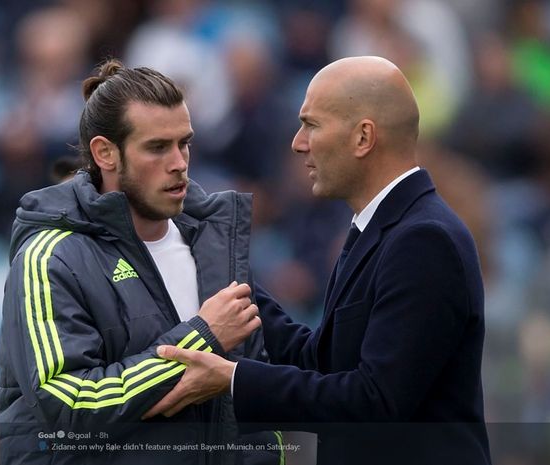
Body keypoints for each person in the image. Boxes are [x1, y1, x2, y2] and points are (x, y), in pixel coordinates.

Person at [145, 56, 491, 465]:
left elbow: (374, 404)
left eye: (312, 124)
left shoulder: (423, 239)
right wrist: (227, 282)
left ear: (363, 138)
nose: (298, 142)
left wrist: (234, 379)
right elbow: (323, 364)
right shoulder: (384, 227)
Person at [0, 59, 281, 465]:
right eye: (157, 147)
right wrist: (202, 337)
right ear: (105, 154)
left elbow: (249, 401)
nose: (179, 162)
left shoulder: (215, 245)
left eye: (185, 143)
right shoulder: (50, 258)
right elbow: (68, 409)